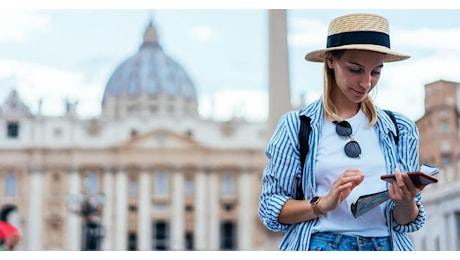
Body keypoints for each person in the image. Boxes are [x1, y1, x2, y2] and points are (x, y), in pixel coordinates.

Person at [258, 13, 426, 251]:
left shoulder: (401, 129)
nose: (366, 83)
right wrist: (323, 204)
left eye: (376, 72)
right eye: (355, 70)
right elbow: (269, 209)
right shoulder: (296, 126)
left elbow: (405, 222)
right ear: (330, 61)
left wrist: (406, 199)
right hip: (320, 245)